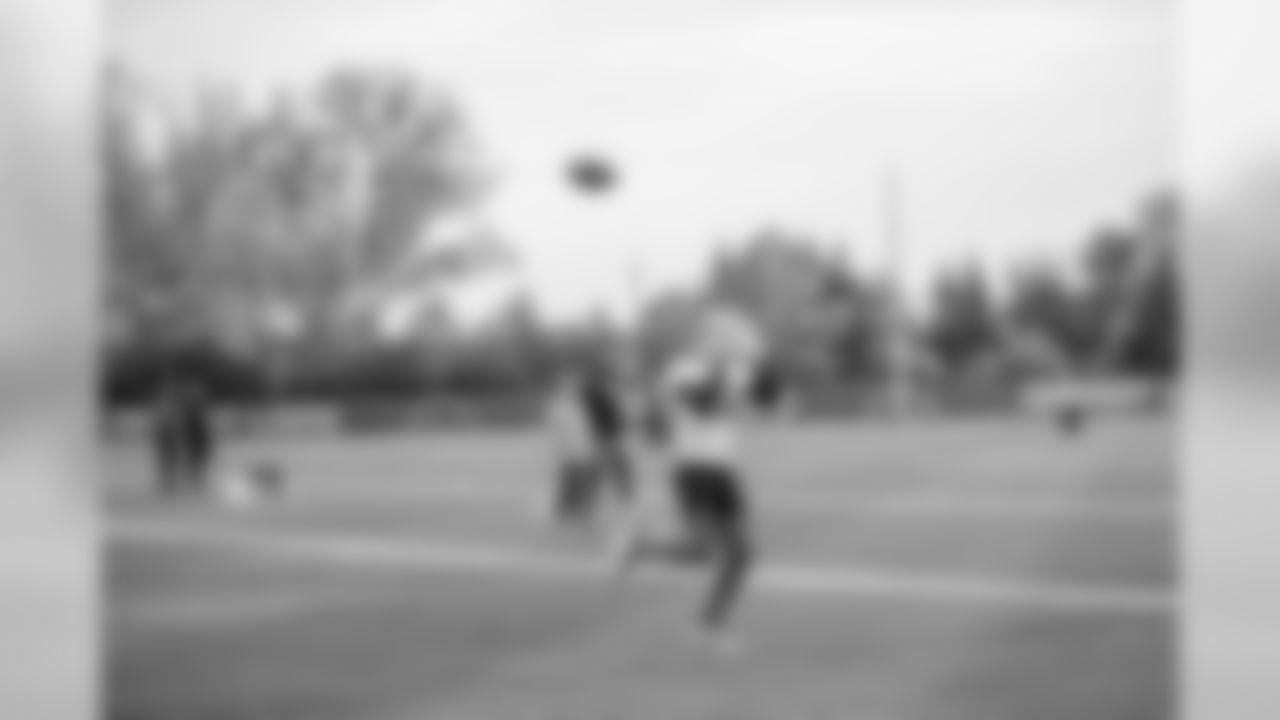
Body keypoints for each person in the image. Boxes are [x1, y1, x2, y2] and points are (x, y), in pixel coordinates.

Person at [613, 306, 779, 653]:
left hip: (723, 468)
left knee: (742, 554)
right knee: (702, 550)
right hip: (692, 466)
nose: (729, 341)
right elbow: (703, 403)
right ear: (705, 340)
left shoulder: (735, 369)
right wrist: (725, 364)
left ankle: (708, 626)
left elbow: (768, 398)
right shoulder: (683, 369)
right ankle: (641, 548)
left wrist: (764, 359)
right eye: (720, 335)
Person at [545, 363, 633, 528]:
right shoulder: (566, 404)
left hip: (591, 443)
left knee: (587, 476)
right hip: (589, 444)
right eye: (569, 385)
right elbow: (560, 429)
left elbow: (590, 423)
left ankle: (580, 507)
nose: (573, 387)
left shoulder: (581, 402)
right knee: (577, 477)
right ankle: (570, 508)